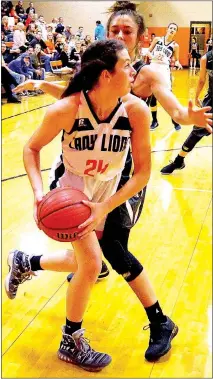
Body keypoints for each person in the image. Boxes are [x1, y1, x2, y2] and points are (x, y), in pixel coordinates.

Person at [12, 1, 212, 363]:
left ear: (141, 37)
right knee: (92, 261)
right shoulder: (101, 65)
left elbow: (173, 108)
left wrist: (187, 114)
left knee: (105, 253)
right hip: (81, 175)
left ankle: (156, 321)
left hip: (124, 171)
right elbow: (81, 101)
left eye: (127, 31)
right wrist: (46, 84)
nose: (120, 35)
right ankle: (31, 265)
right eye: (115, 30)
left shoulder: (147, 74)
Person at [5, 38, 152, 371]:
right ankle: (70, 340)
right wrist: (40, 193)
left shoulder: (135, 110)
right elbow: (31, 148)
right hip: (72, 194)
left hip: (105, 196)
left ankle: (26, 261)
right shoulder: (69, 108)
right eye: (126, 64)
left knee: (90, 264)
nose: (132, 70)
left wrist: (106, 206)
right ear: (104, 76)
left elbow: (142, 173)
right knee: (90, 265)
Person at [161, 48, 212, 175]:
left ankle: (178, 161)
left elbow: (202, 80)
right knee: (197, 131)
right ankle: (179, 161)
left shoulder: (206, 57)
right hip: (211, 101)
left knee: (196, 132)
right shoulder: (206, 58)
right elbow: (200, 81)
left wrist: (196, 97)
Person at [148, 23, 183, 131]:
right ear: (167, 29)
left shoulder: (175, 46)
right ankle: (154, 121)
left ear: (176, 32)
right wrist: (153, 56)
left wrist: (178, 63)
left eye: (174, 29)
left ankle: (174, 120)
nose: (172, 30)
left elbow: (176, 59)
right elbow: (148, 52)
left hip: (164, 70)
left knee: (168, 96)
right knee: (152, 96)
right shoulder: (157, 39)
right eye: (171, 28)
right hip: (153, 67)